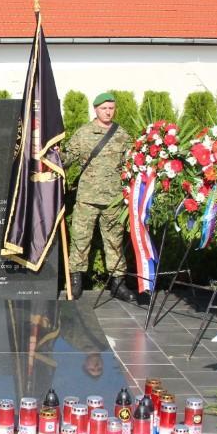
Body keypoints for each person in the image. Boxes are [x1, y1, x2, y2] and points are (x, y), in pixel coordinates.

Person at [63, 92, 135, 302]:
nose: (108, 112)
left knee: (114, 242)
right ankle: (76, 282)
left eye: (111, 108)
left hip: (113, 200)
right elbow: (67, 158)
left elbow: (131, 164)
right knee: (80, 240)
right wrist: (51, 153)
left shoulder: (122, 134)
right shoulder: (84, 133)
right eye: (104, 108)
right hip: (87, 198)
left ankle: (118, 284)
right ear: (95, 109)